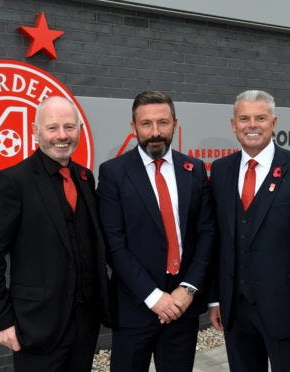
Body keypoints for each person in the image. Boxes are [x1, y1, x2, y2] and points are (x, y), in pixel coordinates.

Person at [0, 96, 111, 371]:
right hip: (36, 324)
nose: (62, 136)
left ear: (80, 130)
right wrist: (1, 321)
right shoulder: (12, 181)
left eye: (69, 127)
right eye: (53, 128)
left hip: (85, 323)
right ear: (35, 131)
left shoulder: (84, 177)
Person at [208, 90, 290, 372]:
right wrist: (216, 298)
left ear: (274, 122)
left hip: (287, 310)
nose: (251, 125)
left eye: (260, 118)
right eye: (244, 118)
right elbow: (218, 240)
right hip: (235, 310)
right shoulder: (220, 171)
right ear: (233, 124)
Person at [97, 90, 214, 372]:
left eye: (163, 122)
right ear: (133, 127)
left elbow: (207, 233)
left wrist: (188, 289)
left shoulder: (194, 169)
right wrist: (154, 297)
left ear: (175, 123)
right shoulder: (114, 173)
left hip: (182, 308)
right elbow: (114, 244)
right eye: (146, 124)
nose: (155, 132)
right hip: (135, 307)